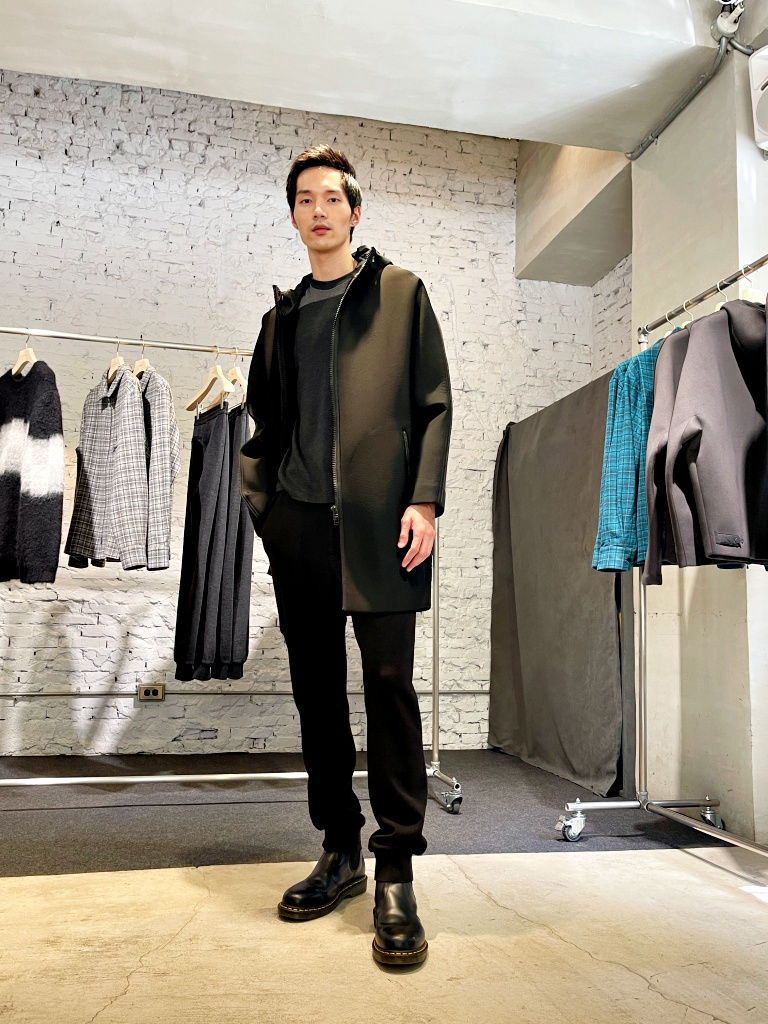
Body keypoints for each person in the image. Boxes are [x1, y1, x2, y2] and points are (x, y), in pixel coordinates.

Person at [240, 145, 452, 966]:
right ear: (294, 216)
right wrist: (267, 510)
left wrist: (423, 498)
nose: (319, 210)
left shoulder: (400, 294)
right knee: (318, 696)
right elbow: (266, 423)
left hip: (383, 528)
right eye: (305, 199)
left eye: (332, 197)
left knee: (390, 688)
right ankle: (340, 849)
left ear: (355, 212)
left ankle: (396, 866)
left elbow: (433, 404)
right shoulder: (281, 319)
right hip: (299, 527)